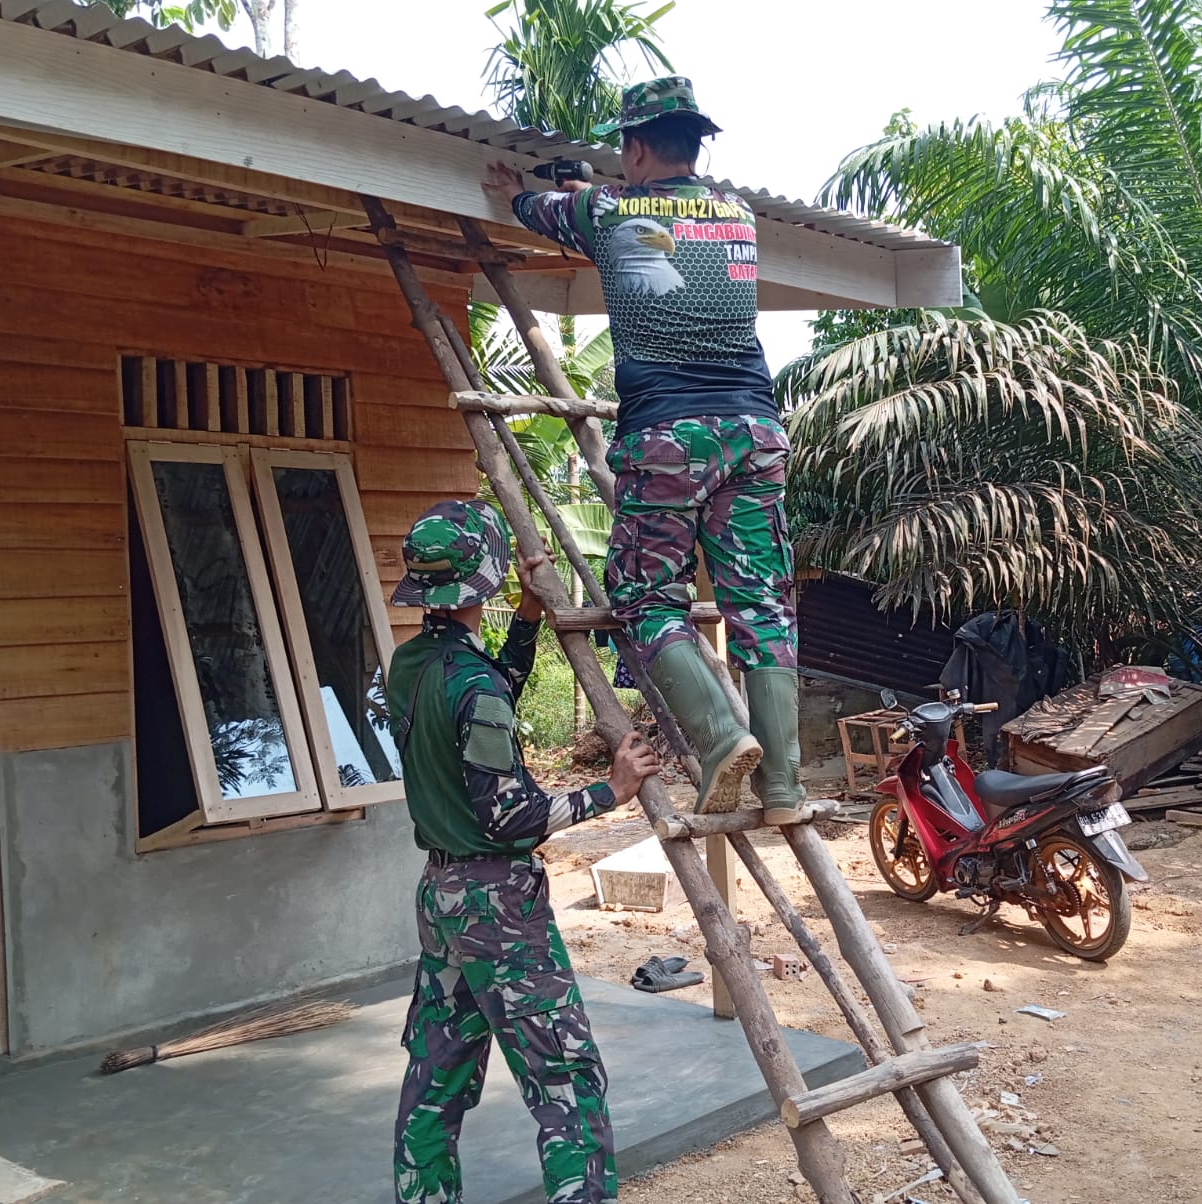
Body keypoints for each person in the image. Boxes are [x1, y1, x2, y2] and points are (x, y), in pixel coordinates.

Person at [482, 76, 804, 826]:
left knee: (644, 597)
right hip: (755, 431)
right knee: (761, 601)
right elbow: (657, 219)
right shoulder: (737, 215)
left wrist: (518, 188)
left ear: (632, 147)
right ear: (695, 143)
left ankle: (723, 737)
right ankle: (784, 785)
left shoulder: (605, 209)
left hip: (668, 434)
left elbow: (533, 207)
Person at [387, 499, 662, 1204]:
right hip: (497, 908)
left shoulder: (411, 663)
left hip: (441, 898)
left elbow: (483, 697)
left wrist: (528, 621)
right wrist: (610, 792)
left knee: (434, 1079)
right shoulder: (471, 686)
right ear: (481, 579)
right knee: (567, 1079)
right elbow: (514, 818)